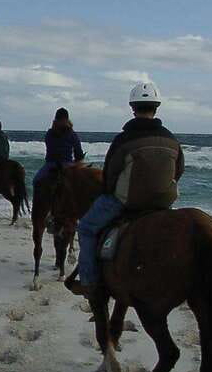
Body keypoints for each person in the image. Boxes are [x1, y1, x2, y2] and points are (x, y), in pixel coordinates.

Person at [68, 82, 184, 298]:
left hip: (129, 201)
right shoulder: (172, 139)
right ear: (156, 108)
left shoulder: (124, 139)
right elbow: (179, 171)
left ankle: (89, 282)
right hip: (163, 202)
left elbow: (111, 175)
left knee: (86, 228)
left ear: (133, 108)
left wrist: (109, 192)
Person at [33, 107, 85, 187]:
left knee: (36, 180)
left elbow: (51, 150)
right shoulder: (72, 134)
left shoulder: (50, 133)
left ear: (56, 120)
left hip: (52, 164)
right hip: (67, 165)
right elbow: (79, 153)